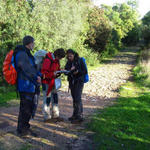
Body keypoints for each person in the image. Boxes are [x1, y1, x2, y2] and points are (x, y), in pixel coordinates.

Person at [15, 36, 41, 136]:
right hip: (24, 85)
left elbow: (33, 68)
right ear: (29, 43)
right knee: (25, 109)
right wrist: (36, 77)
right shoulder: (22, 54)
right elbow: (26, 69)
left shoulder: (28, 54)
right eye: (33, 43)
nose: (34, 44)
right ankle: (22, 130)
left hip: (30, 85)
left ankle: (24, 128)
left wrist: (40, 75)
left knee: (28, 108)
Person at [41, 48, 65, 122]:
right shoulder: (48, 60)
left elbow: (57, 69)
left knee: (55, 98)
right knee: (47, 100)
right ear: (57, 55)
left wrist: (60, 71)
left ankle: (55, 116)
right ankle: (47, 117)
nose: (60, 59)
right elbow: (43, 74)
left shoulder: (56, 60)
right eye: (60, 57)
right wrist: (53, 74)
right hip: (46, 83)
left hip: (53, 82)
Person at [65, 49, 87, 123]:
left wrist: (77, 71)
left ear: (74, 55)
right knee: (74, 98)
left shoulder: (80, 60)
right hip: (72, 82)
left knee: (77, 98)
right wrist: (68, 70)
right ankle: (75, 115)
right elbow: (66, 70)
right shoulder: (68, 61)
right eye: (68, 56)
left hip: (79, 82)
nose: (69, 57)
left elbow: (85, 71)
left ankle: (79, 116)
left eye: (70, 56)